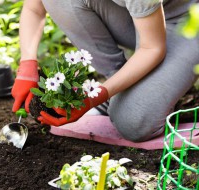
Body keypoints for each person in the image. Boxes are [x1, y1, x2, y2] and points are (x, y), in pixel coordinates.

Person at [11, 0, 199, 142]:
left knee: (133, 123)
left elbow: (152, 49)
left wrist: (93, 98)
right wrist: (27, 66)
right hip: (142, 19)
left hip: (188, 21)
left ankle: (125, 96)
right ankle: (119, 89)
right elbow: (34, 8)